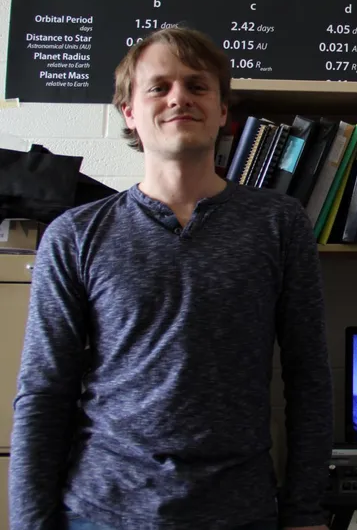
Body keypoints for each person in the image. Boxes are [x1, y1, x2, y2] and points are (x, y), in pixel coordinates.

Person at [10, 27, 334, 530]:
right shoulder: (73, 235)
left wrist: (305, 511)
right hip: (102, 513)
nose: (179, 97)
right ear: (130, 113)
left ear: (223, 110)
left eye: (197, 85)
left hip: (241, 513)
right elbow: (43, 392)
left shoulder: (279, 223)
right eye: (158, 87)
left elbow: (309, 378)